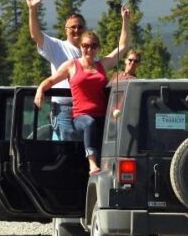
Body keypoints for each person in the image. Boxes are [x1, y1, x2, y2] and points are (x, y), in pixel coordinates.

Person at [25, 0, 130, 141]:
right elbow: (36, 34)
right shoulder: (56, 46)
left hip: (93, 110)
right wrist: (32, 9)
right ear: (65, 30)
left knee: (88, 149)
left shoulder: (94, 58)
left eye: (80, 27)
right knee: (66, 150)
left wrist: (125, 21)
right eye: (72, 27)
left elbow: (122, 48)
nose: (76, 30)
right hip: (64, 109)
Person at [34, 10, 130, 175]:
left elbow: (123, 47)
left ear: (98, 48)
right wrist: (40, 90)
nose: (89, 49)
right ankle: (90, 164)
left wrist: (125, 20)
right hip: (80, 115)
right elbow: (50, 80)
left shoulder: (102, 65)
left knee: (110, 147)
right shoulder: (72, 65)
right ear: (81, 47)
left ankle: (103, 178)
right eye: (85, 46)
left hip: (103, 115)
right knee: (85, 130)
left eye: (93, 46)